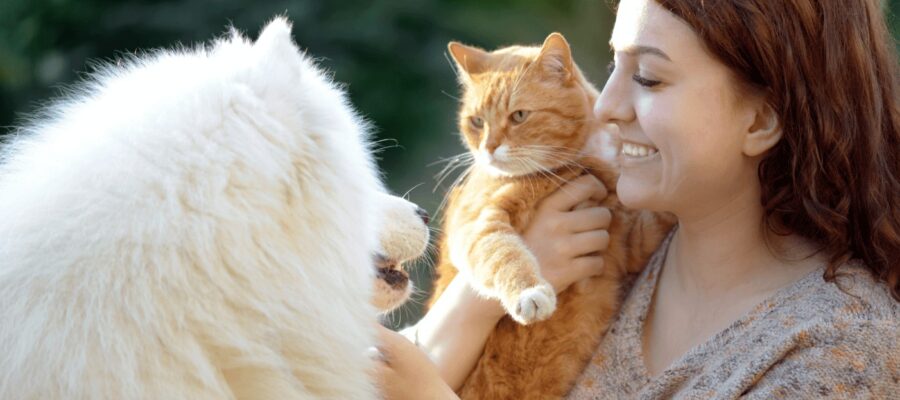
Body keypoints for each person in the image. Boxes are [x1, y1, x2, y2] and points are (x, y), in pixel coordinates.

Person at [374, 0, 900, 398]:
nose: (604, 106)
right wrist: (478, 298)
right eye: (613, 66)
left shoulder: (842, 350)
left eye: (647, 77)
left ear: (761, 120)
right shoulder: (594, 230)